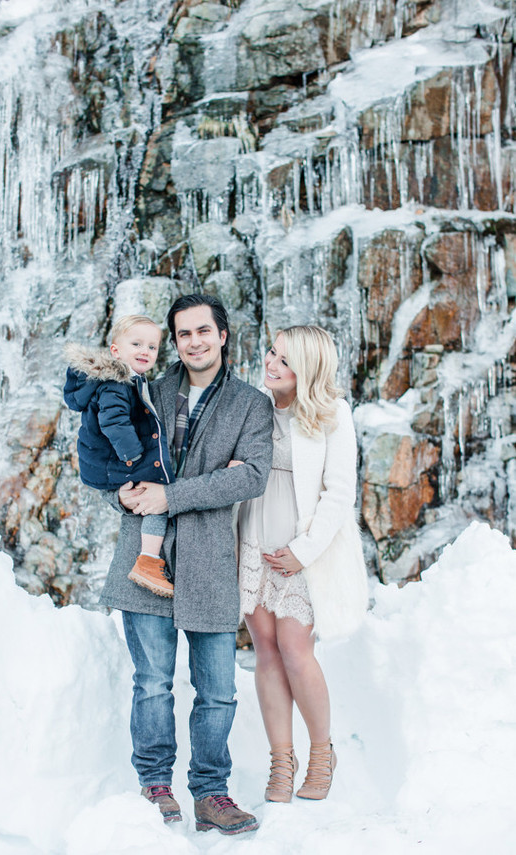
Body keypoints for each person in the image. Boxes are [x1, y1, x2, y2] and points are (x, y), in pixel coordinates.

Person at [98, 294, 274, 834]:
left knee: (217, 690)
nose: (194, 342)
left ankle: (211, 794)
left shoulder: (251, 404)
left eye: (203, 331)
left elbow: (252, 477)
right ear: (174, 342)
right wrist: (119, 494)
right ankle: (155, 786)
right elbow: (108, 457)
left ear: (223, 334)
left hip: (210, 561)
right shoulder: (145, 388)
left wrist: (171, 495)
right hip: (143, 558)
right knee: (152, 682)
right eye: (183, 334)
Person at [237, 325, 367, 804]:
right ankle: (281, 760)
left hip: (301, 549)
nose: (271, 364)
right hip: (253, 539)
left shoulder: (333, 414)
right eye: (272, 353)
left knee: (295, 650)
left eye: (285, 361)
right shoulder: (253, 406)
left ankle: (321, 754)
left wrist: (304, 551)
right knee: (266, 651)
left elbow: (340, 492)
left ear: (308, 369)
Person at [64, 315, 176, 597]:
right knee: (159, 497)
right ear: (115, 351)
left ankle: (149, 559)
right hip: (118, 460)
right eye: (136, 344)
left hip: (107, 461)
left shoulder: (125, 380)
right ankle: (148, 561)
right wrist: (134, 456)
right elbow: (113, 421)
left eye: (152, 347)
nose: (144, 351)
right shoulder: (116, 383)